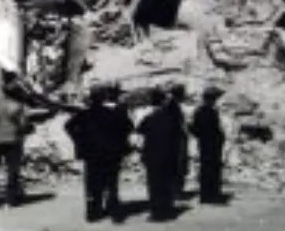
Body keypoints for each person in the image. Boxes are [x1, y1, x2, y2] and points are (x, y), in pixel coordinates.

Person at [66, 84, 133, 223]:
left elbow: (68, 126)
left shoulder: (84, 114)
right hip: (110, 153)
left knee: (92, 183)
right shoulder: (112, 113)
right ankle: (114, 211)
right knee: (111, 182)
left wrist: (79, 140)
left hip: (91, 153)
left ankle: (93, 212)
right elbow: (128, 126)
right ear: (103, 98)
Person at [137, 86, 186, 221]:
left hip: (152, 155)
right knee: (166, 183)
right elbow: (178, 136)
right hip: (169, 155)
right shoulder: (171, 118)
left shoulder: (149, 118)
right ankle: (166, 209)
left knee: (154, 184)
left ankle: (156, 212)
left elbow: (140, 131)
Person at [0, 73, 32, 207]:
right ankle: (10, 198)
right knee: (13, 169)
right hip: (14, 139)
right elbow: (23, 125)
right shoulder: (19, 107)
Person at [189, 86, 228, 204]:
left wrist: (201, 137)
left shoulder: (199, 111)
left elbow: (194, 129)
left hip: (205, 144)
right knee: (213, 169)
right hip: (213, 145)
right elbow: (215, 129)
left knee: (206, 169)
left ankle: (206, 195)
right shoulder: (212, 112)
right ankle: (212, 194)